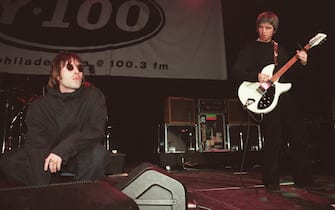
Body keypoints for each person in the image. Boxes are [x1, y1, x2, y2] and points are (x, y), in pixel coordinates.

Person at [0, 52, 110, 186]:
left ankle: (80, 196)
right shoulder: (39, 107)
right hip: (47, 156)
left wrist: (62, 151)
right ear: (57, 75)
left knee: (98, 154)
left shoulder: (93, 96)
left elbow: (96, 131)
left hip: (79, 154)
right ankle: (50, 190)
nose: (77, 72)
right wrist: (42, 189)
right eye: (70, 68)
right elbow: (37, 149)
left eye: (80, 68)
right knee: (9, 162)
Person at [231, 11, 312, 192]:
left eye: (268, 28)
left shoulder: (279, 49)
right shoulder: (249, 49)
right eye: (261, 27)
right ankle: (271, 181)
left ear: (274, 30)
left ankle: (303, 178)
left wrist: (303, 62)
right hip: (264, 97)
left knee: (299, 134)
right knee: (273, 138)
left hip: (283, 95)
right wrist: (256, 76)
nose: (264, 31)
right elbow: (236, 72)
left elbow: (290, 75)